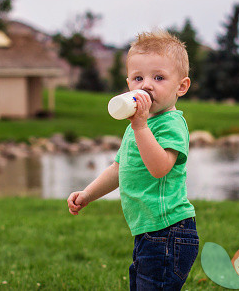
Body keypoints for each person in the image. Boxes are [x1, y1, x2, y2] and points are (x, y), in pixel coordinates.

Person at [67, 30, 198, 290]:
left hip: (169, 231)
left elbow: (160, 168)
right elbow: (119, 168)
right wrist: (88, 194)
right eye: (138, 78)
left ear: (181, 86)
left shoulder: (171, 124)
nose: (146, 85)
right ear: (128, 84)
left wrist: (140, 127)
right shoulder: (138, 126)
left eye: (159, 77)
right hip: (148, 233)